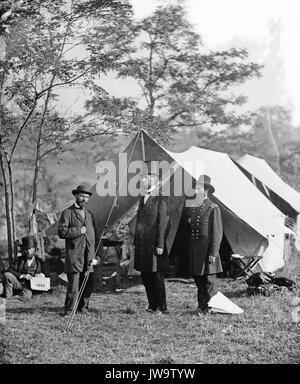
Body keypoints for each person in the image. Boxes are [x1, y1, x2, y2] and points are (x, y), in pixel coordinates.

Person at [58, 184, 101, 316]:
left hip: (88, 256)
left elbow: (96, 236)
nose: (84, 199)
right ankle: (69, 311)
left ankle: (83, 308)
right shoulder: (67, 213)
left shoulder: (90, 215)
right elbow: (61, 232)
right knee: (74, 286)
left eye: (87, 197)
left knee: (88, 283)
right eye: (82, 196)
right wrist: (78, 231)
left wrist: (97, 255)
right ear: (76, 195)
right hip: (74, 255)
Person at [183, 175, 223, 314]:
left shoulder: (213, 207)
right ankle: (202, 307)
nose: (196, 190)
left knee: (209, 282)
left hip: (207, 250)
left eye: (199, 188)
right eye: (196, 187)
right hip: (196, 250)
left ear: (206, 190)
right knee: (199, 280)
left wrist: (213, 253)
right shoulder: (194, 207)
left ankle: (212, 308)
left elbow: (217, 233)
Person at [134, 164, 170, 314]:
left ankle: (162, 307)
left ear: (154, 180)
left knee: (156, 276)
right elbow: (139, 222)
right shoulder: (143, 197)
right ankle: (152, 305)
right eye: (142, 177)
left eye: (146, 177)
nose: (143, 180)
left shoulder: (161, 198)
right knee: (146, 275)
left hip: (155, 246)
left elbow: (163, 223)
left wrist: (160, 244)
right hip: (143, 246)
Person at [3, 236, 45, 300]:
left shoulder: (39, 261)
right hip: (18, 283)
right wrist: (22, 276)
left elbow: (46, 272)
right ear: (24, 250)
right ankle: (8, 297)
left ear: (34, 248)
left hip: (30, 286)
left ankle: (12, 299)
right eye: (26, 249)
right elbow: (9, 270)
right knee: (7, 275)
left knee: (27, 296)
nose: (28, 251)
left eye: (30, 248)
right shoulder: (19, 260)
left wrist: (41, 275)